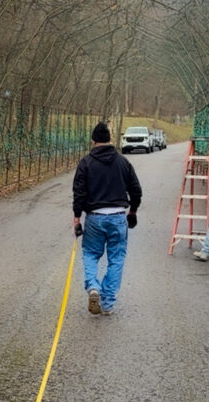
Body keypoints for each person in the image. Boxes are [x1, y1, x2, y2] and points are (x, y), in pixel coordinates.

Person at [73, 122, 142, 316]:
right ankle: (108, 302)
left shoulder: (85, 163)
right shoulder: (123, 162)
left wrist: (77, 217)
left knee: (90, 253)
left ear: (93, 141)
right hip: (118, 216)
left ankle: (93, 286)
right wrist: (133, 211)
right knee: (116, 258)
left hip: (95, 217)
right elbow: (136, 190)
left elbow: (79, 192)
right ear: (110, 140)